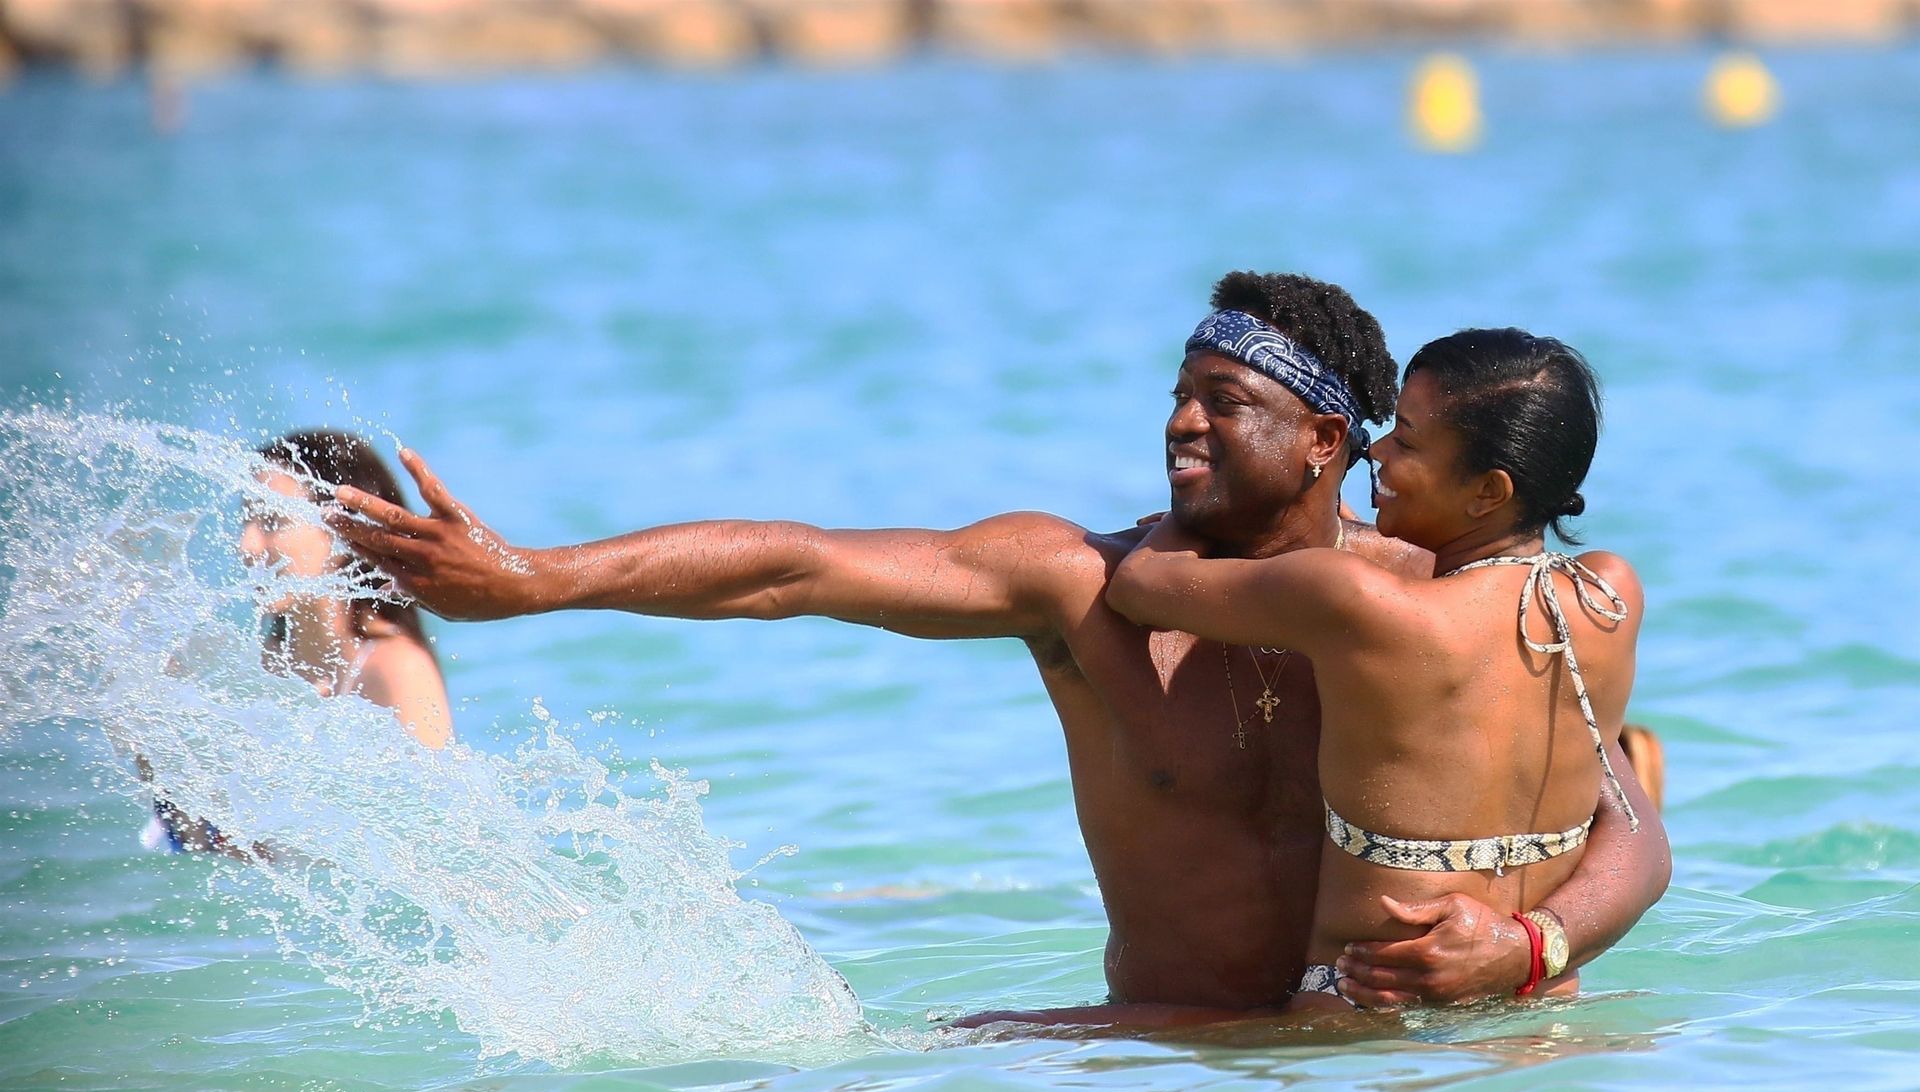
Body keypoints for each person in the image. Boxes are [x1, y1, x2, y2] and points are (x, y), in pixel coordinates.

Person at [326, 272, 1670, 1020]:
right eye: (1178, 396)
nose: (1182, 424)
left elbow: (1628, 821)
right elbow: (800, 566)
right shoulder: (1078, 580)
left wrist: (1531, 948)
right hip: (1175, 1083)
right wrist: (537, 580)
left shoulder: (1428, 600)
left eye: (1225, 402)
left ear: (1327, 440)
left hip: (1388, 1071)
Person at [1110, 327, 1639, 1007]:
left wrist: (1203, 507)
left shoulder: (1358, 601)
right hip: (1535, 1014)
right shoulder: (1607, 596)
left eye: (1407, 443)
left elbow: (1141, 585)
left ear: (1487, 492)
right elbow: (1634, 834)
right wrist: (1530, 948)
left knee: (1004, 1031)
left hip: (1362, 1015)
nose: (1374, 450)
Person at [143, 430, 453, 855]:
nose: (247, 546)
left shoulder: (394, 669)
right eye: (246, 520)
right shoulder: (246, 670)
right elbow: (192, 837)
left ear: (345, 533)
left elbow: (431, 838)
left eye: (273, 522)